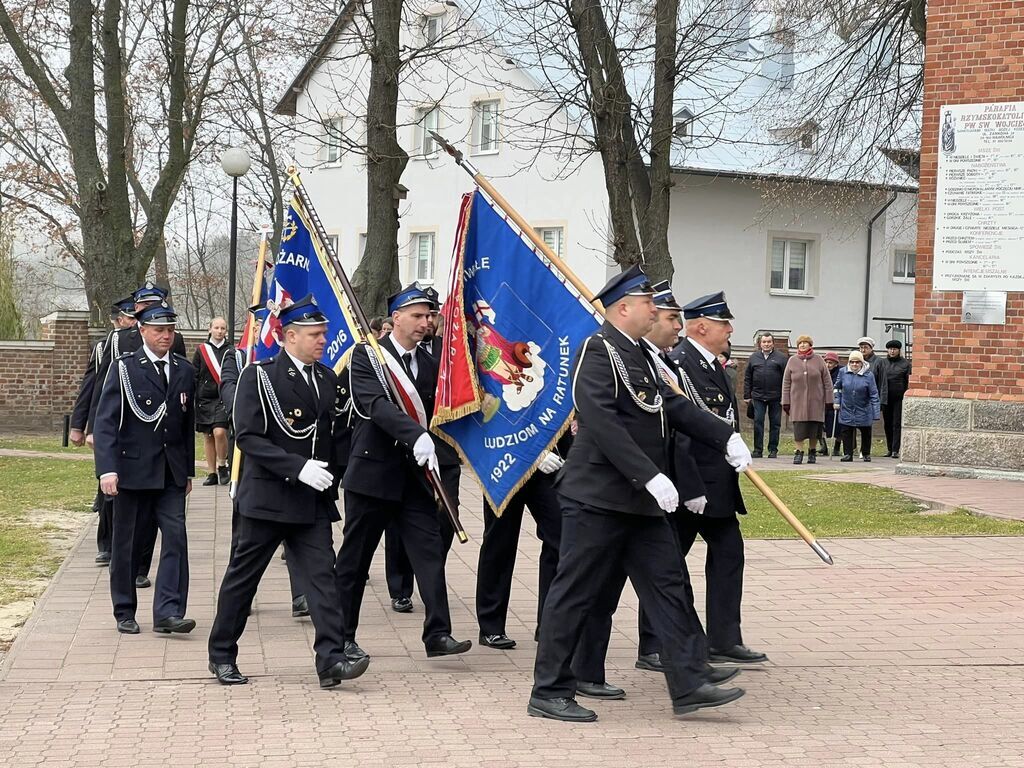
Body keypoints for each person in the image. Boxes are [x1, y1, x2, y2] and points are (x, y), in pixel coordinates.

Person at [528, 266, 749, 723]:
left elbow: (673, 406)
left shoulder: (641, 355)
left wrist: (723, 436)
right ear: (623, 308)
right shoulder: (598, 350)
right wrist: (649, 475)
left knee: (668, 589)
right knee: (574, 593)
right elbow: (602, 422)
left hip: (639, 503)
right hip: (598, 498)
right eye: (649, 302)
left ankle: (689, 682)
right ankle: (549, 689)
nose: (657, 309)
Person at [207, 295, 369, 688]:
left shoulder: (328, 378)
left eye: (324, 334)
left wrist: (341, 473)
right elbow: (248, 436)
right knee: (244, 581)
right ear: (289, 336)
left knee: (322, 581)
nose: (322, 341)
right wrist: (298, 467)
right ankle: (222, 654)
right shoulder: (259, 376)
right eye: (315, 334)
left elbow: (333, 436)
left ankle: (330, 660)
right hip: (267, 498)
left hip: (311, 502)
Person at [334, 284, 471, 660]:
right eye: (417, 316)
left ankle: (438, 634)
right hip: (373, 476)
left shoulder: (429, 364)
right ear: (396, 318)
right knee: (355, 560)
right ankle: (342, 637)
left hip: (414, 479)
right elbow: (374, 405)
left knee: (429, 553)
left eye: (429, 316)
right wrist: (415, 435)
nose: (425, 323)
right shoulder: (367, 357)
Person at [669, 291, 768, 665]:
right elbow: (682, 430)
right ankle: (653, 644)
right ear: (701, 326)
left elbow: (724, 419)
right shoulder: (679, 364)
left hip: (719, 483)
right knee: (667, 562)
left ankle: (724, 639)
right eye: (724, 323)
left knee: (729, 554)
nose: (730, 329)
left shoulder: (714, 364)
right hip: (690, 484)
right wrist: (689, 485)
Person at [92, 301, 196, 635]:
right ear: (142, 331)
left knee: (176, 540)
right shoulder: (124, 368)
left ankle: (168, 611)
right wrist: (107, 469)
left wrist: (188, 471)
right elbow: (106, 422)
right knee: (128, 544)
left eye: (170, 330)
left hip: (170, 473)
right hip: (133, 470)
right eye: (159, 330)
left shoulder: (183, 370)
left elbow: (184, 425)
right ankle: (124, 609)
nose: (166, 336)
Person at [218, 340, 309, 618]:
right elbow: (229, 393)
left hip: (292, 455)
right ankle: (242, 597)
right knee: (247, 538)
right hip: (252, 458)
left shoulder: (291, 360)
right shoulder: (238, 357)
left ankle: (301, 594)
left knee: (298, 529)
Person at [476, 440, 565, 651]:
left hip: (547, 463)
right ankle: (491, 626)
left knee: (561, 540)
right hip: (503, 461)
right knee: (500, 544)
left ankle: (549, 623)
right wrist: (533, 453)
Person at [70, 295, 136, 565]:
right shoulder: (104, 347)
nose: (135, 322)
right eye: (131, 318)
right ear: (120, 321)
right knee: (108, 484)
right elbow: (93, 386)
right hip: (109, 424)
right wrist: (81, 425)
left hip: (139, 427)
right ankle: (106, 543)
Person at [781, 335, 833, 464]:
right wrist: (786, 401)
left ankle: (812, 452)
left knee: (814, 429)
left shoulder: (819, 360)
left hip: (816, 401)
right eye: (800, 343)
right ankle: (799, 452)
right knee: (799, 429)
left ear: (810, 345)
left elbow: (827, 381)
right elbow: (786, 382)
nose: (803, 345)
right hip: (797, 401)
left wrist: (829, 399)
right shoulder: (792, 360)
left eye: (806, 343)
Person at [193, 317, 231, 486]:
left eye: (223, 328)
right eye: (216, 327)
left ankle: (222, 464)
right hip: (204, 399)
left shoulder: (231, 350)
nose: (219, 331)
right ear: (210, 329)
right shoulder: (201, 350)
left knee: (220, 432)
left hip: (223, 398)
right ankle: (211, 472)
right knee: (208, 436)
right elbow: (194, 374)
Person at [743, 332, 787, 459]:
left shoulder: (781, 358)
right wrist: (747, 395)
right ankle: (758, 450)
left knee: (775, 424)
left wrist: (785, 397)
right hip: (758, 396)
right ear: (760, 343)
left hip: (776, 397)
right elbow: (747, 377)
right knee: (758, 422)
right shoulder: (753, 357)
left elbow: (786, 379)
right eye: (764, 342)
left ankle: (773, 450)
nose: (766, 344)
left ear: (773, 343)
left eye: (769, 342)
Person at [835, 350, 881, 462]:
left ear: (861, 363)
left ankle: (865, 453)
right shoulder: (843, 372)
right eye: (852, 362)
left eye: (857, 362)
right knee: (846, 431)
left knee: (866, 431)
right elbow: (837, 387)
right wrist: (837, 401)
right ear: (849, 363)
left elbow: (874, 394)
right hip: (847, 407)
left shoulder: (868, 375)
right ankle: (848, 454)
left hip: (863, 408)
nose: (854, 364)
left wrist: (876, 412)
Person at [874, 340, 911, 458]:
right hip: (885, 397)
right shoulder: (882, 363)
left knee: (896, 423)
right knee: (887, 423)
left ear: (899, 350)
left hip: (899, 398)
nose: (892, 351)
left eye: (894, 349)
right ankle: (889, 448)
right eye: (890, 349)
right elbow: (877, 379)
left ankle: (895, 449)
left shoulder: (905, 364)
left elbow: (908, 381)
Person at [821, 351, 842, 456]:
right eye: (826, 362)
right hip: (822, 401)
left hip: (836, 401)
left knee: (838, 425)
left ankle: (837, 447)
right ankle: (823, 446)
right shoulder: (822, 371)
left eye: (831, 363)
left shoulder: (840, 372)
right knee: (820, 425)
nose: (828, 365)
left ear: (836, 364)